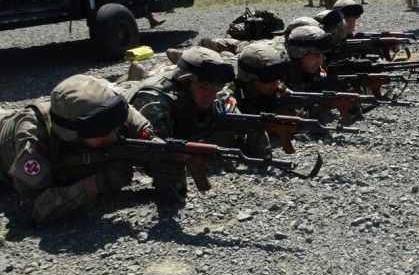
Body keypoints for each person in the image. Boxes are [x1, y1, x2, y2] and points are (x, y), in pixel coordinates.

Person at [0, 75, 156, 226]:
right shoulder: (33, 138)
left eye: (115, 126)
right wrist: (95, 184)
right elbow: (31, 207)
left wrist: (160, 160)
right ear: (72, 134)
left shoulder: (107, 111)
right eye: (101, 132)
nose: (114, 136)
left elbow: (151, 140)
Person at [125, 46, 270, 158]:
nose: (210, 95)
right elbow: (157, 150)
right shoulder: (155, 99)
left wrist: (252, 130)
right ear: (185, 82)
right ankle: (136, 75)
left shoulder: (214, 89)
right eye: (203, 88)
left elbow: (236, 118)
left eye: (215, 89)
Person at [285, 25, 334, 92]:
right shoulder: (282, 77)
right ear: (299, 53)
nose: (320, 62)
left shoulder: (314, 70)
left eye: (322, 54)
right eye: (316, 55)